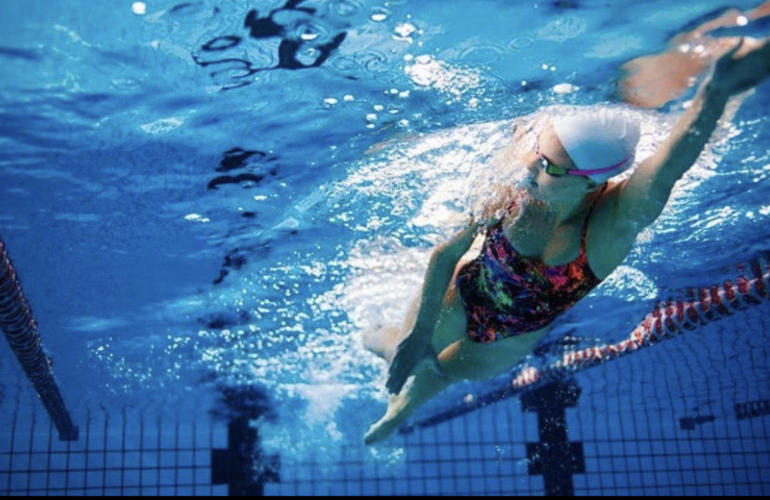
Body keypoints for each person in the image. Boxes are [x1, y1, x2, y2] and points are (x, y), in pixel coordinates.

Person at [363, 21, 770, 444]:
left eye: (551, 168)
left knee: (441, 374)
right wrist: (420, 334)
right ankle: (383, 343)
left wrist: (716, 92)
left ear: (591, 183)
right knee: (404, 347)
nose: (531, 169)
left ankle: (401, 411)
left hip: (505, 341)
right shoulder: (523, 171)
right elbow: (449, 251)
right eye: (539, 155)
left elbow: (669, 166)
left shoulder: (609, 226)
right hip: (458, 293)